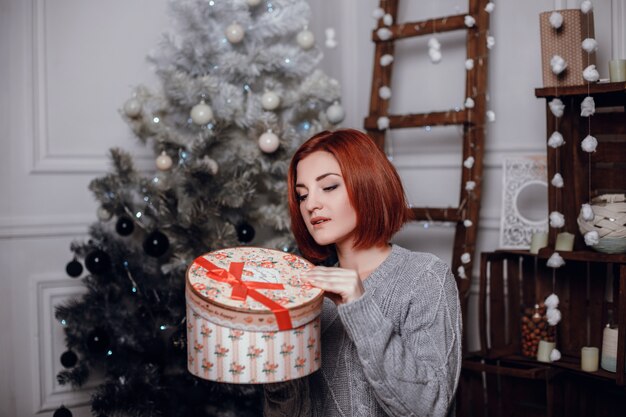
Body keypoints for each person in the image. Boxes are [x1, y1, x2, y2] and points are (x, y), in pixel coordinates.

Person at [264, 128, 462, 417]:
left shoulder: (426, 277)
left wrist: (359, 307)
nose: (311, 205)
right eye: (302, 195)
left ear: (367, 185)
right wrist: (277, 370)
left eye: (329, 187)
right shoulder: (308, 293)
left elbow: (430, 408)